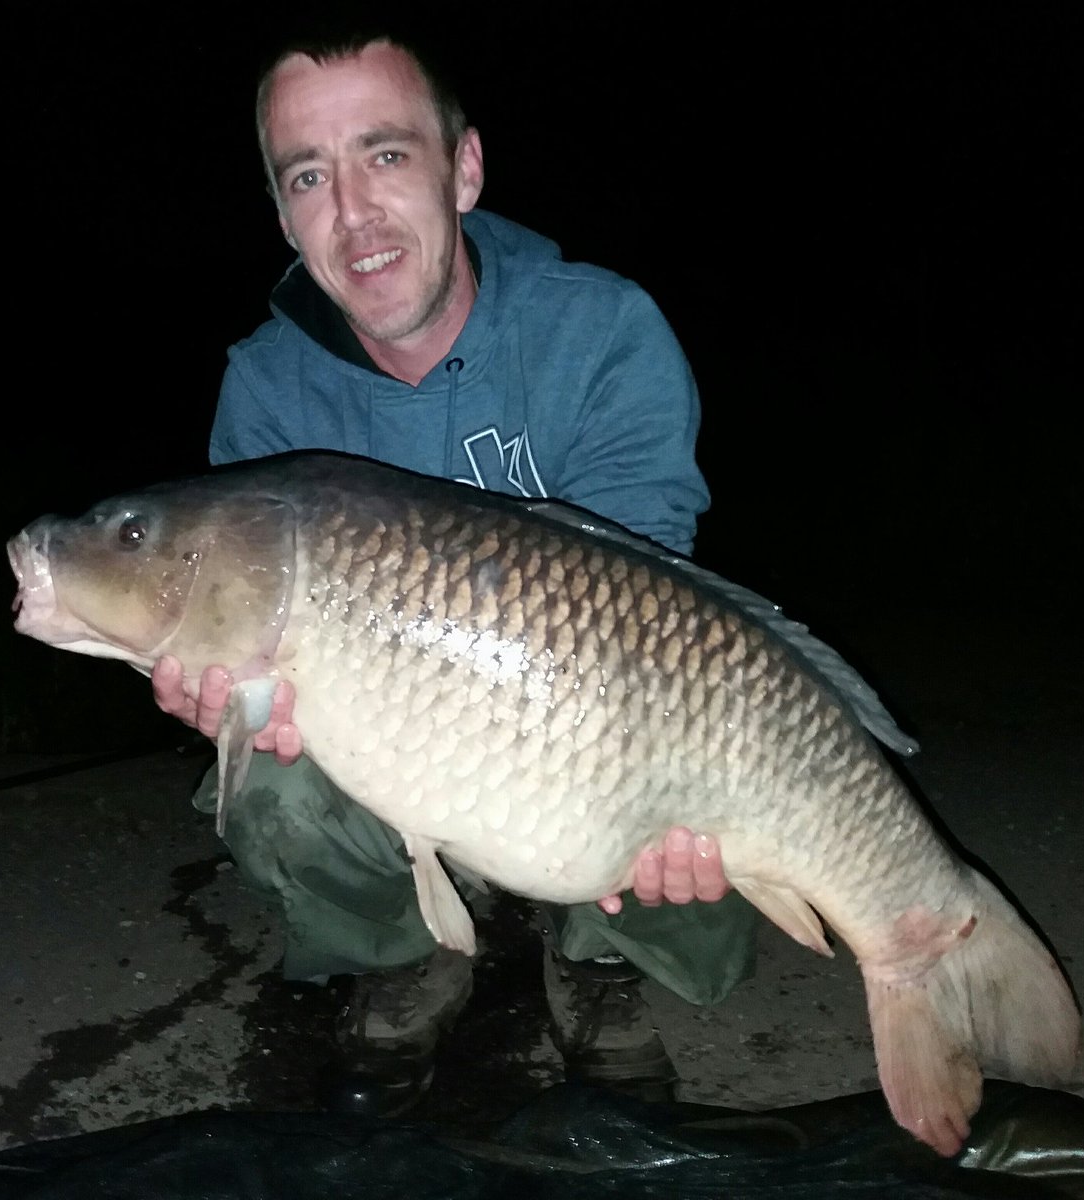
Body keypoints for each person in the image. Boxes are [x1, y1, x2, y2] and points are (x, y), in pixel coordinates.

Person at [151, 20, 759, 1117]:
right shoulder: (268, 389)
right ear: (283, 213)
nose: (353, 211)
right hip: (403, 740)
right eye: (308, 176)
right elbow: (250, 651)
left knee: (698, 739)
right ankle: (408, 953)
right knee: (267, 780)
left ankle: (598, 960)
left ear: (463, 169)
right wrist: (229, 692)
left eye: (385, 154)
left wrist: (673, 794)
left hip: (589, 716)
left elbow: (657, 617)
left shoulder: (602, 331)